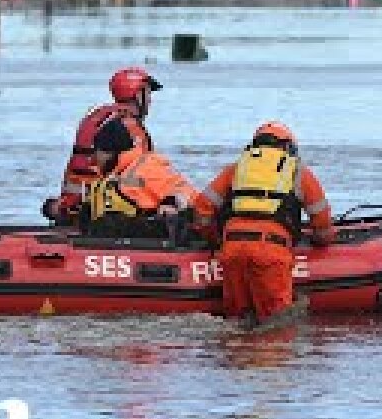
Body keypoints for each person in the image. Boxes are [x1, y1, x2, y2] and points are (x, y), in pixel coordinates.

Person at [194, 121, 337, 325]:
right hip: (271, 250)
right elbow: (322, 224)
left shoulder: (236, 169)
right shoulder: (297, 171)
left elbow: (202, 209)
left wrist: (213, 239)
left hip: (232, 249)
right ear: (288, 147)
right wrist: (323, 240)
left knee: (236, 322)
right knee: (276, 327)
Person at [49, 67, 162, 225]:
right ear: (138, 94)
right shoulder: (126, 128)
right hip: (102, 214)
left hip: (74, 207)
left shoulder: (100, 118)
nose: (150, 100)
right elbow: (144, 176)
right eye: (148, 93)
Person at [83, 118, 199, 240]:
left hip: (153, 235)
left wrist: (170, 203)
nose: (94, 158)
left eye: (97, 152)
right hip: (110, 242)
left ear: (110, 152)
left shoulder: (145, 167)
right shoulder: (106, 180)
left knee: (109, 225)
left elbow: (184, 192)